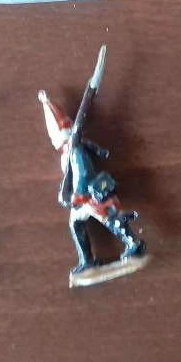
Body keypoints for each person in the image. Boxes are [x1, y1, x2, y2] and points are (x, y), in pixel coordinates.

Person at [39, 90, 144, 277]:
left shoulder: (76, 150)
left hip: (88, 194)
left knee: (110, 218)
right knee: (77, 224)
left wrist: (78, 195)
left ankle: (133, 244)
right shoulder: (71, 151)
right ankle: (87, 260)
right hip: (82, 198)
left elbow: (83, 173)